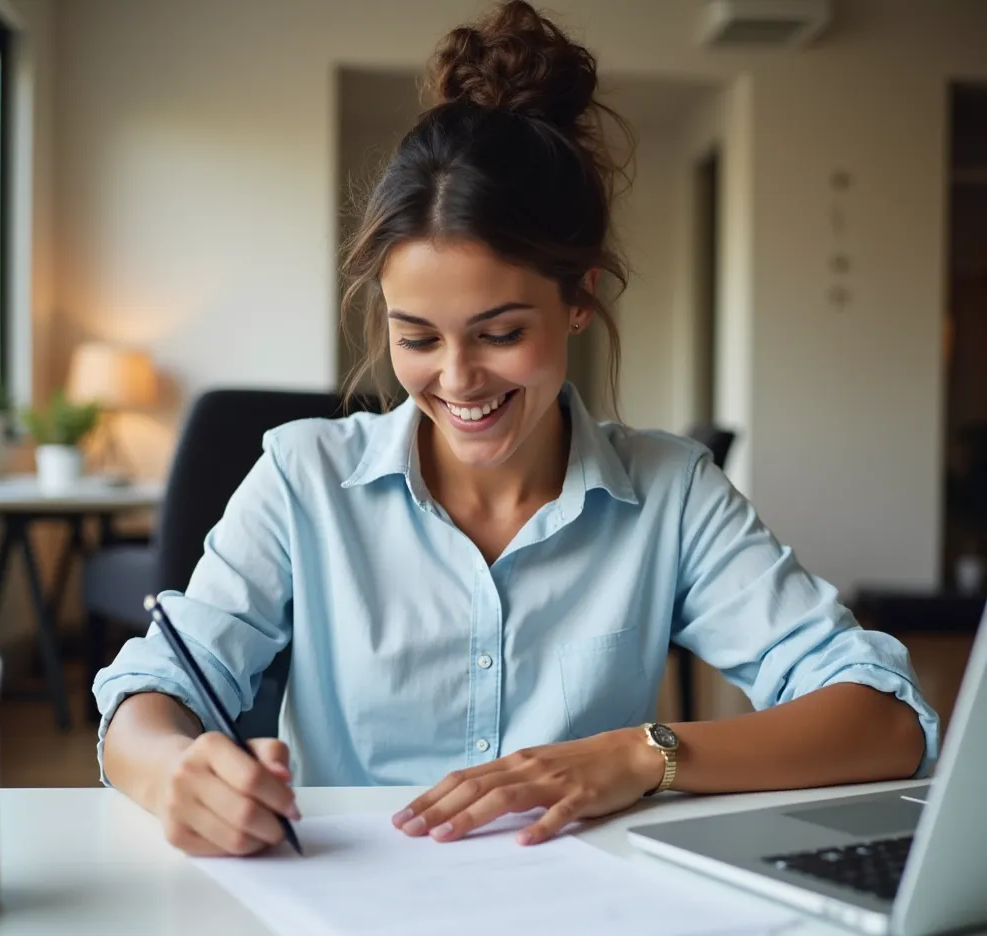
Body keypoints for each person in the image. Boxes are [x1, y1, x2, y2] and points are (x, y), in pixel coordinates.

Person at [95, 1, 937, 857]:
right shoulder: (300, 477)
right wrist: (174, 772)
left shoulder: (671, 494)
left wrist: (640, 755)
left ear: (580, 299)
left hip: (579, 921)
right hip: (348, 910)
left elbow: (886, 717)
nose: (457, 380)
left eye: (500, 334)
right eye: (417, 337)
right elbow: (152, 694)